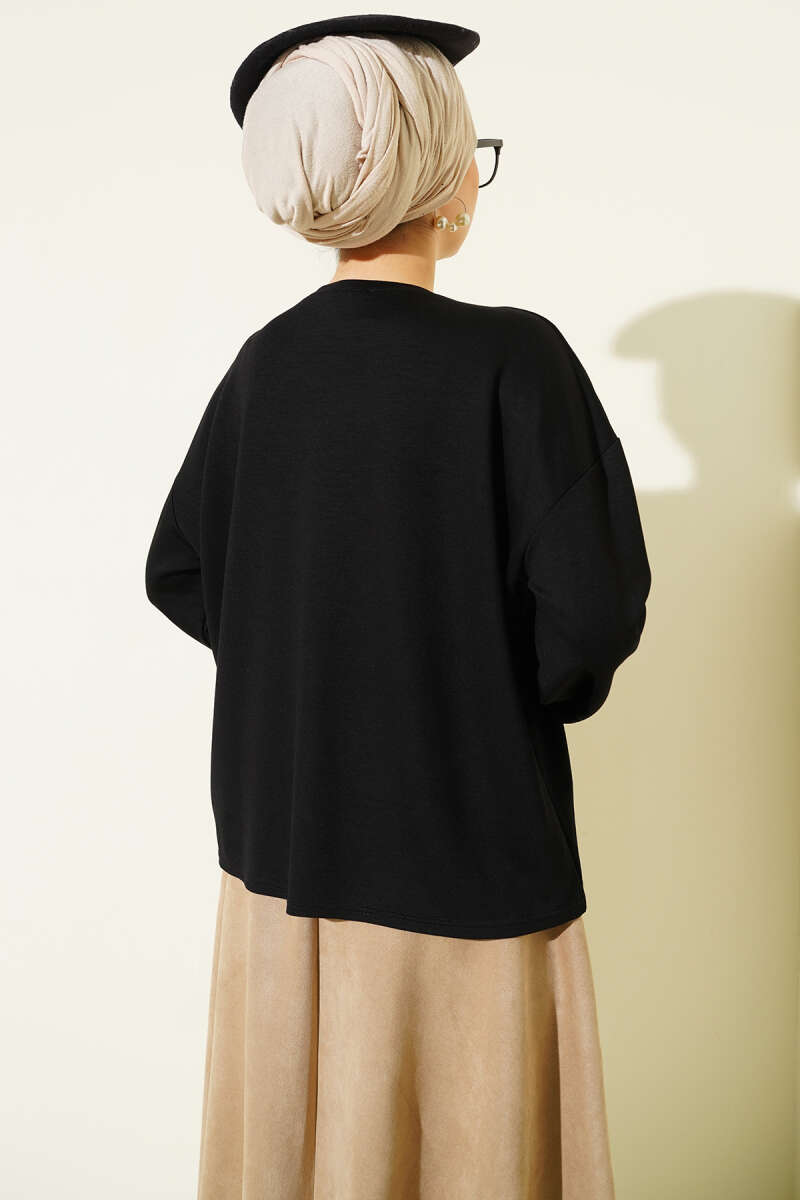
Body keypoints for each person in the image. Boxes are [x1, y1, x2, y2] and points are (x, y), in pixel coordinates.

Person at [144, 15, 651, 1199]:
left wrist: (308, 660)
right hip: (466, 869)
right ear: (435, 171)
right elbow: (590, 615)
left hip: (279, 871)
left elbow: (179, 571)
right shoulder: (514, 363)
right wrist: (477, 692)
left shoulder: (263, 368)